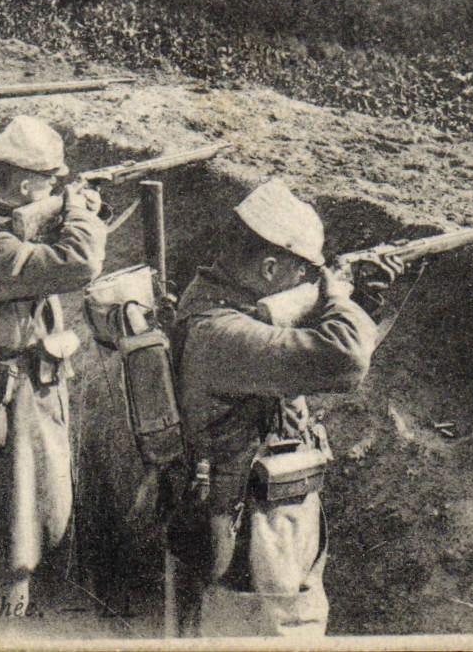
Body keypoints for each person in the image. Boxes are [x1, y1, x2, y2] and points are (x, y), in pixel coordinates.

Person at [167, 179, 391, 638]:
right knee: (275, 631)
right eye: (304, 273)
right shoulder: (219, 332)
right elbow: (345, 360)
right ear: (270, 267)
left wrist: (360, 301)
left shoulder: (222, 305)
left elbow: (305, 360)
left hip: (269, 515)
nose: (309, 282)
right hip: (255, 531)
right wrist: (337, 298)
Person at [0, 115, 106, 606]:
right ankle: (2, 615)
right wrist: (77, 212)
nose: (58, 186)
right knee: (12, 521)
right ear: (28, 182)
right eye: (52, 180)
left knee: (40, 506)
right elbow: (79, 262)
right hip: (6, 396)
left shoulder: (2, 226)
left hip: (32, 387)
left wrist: (66, 208)